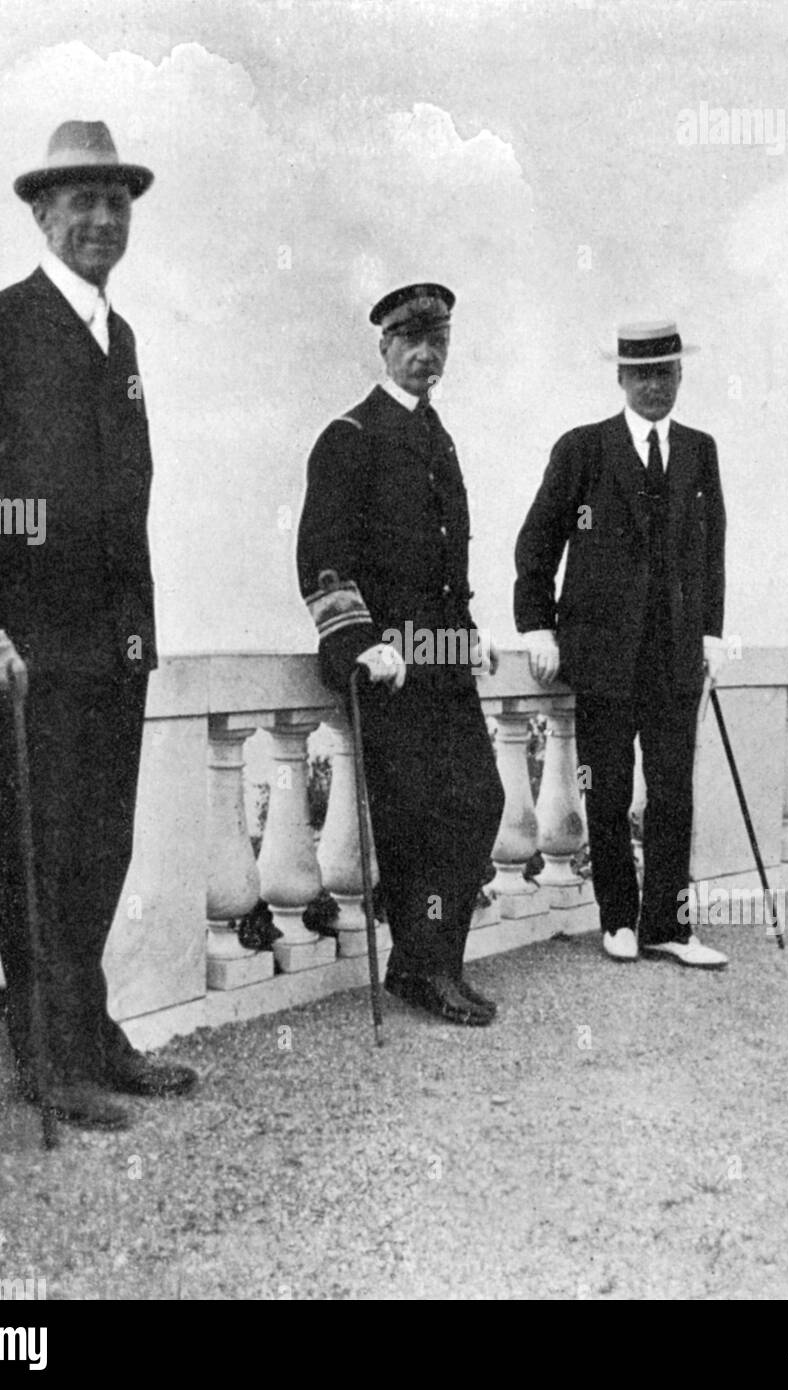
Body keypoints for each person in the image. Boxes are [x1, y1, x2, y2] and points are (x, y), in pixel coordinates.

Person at [0, 121, 196, 1129]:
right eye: (80, 201)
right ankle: (47, 1055)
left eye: (114, 201)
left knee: (101, 849)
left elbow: (126, 496)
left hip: (115, 647)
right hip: (33, 649)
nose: (100, 218)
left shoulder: (118, 340)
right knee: (43, 849)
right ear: (41, 213)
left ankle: (91, 1030)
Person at [296, 283, 505, 1025]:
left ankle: (436, 961)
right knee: (415, 818)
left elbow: (448, 567)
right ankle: (421, 969)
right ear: (382, 344)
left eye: (438, 339)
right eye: (411, 339)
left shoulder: (435, 436)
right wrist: (359, 641)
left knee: (481, 801)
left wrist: (466, 635)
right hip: (389, 670)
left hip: (442, 661)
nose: (426, 354)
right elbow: (323, 559)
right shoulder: (351, 435)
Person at [514, 320, 729, 969]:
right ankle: (617, 920)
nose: (655, 385)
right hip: (601, 654)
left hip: (673, 657)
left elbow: (709, 551)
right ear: (620, 378)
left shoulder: (699, 450)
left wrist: (712, 633)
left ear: (680, 376)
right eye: (642, 374)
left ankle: (667, 924)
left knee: (671, 794)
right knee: (605, 793)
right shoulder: (582, 448)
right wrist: (536, 626)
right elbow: (536, 543)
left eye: (665, 372)